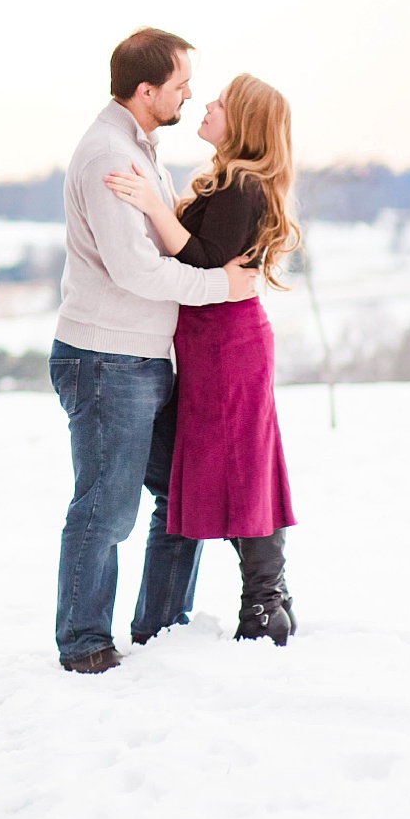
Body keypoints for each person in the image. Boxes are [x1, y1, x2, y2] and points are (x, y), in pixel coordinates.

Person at [51, 29, 259, 675]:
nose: (190, 93)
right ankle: (84, 642)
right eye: (179, 85)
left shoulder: (140, 150)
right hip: (108, 358)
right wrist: (217, 286)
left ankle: (161, 625)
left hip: (140, 358)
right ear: (146, 92)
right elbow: (136, 270)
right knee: (106, 508)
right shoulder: (109, 156)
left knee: (180, 489)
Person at [105, 73, 302, 646]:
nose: (206, 103)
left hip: (226, 343)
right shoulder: (229, 182)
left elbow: (204, 262)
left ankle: (264, 604)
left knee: (243, 464)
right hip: (213, 340)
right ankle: (271, 596)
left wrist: (149, 205)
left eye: (220, 101)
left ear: (242, 123)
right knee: (237, 462)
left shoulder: (244, 183)